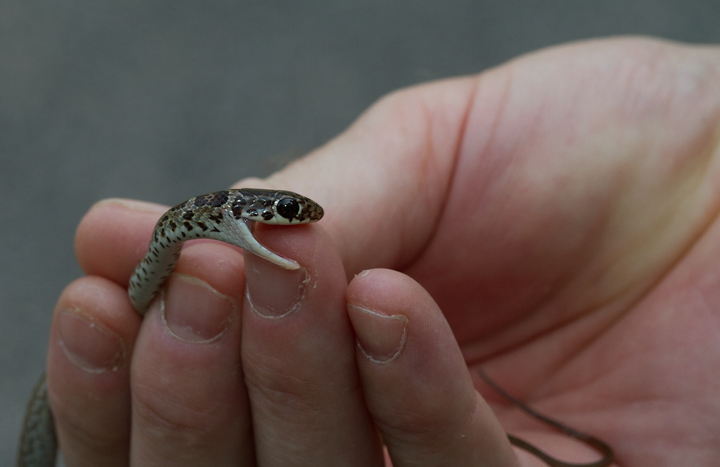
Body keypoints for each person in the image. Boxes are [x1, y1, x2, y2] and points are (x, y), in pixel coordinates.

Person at [44, 36, 720, 466]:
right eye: (286, 212)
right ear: (242, 211)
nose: (297, 221)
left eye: (292, 212)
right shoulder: (205, 229)